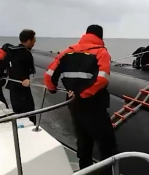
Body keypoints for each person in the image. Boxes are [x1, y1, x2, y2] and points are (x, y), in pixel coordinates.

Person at [44, 25, 117, 174]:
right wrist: (83, 93)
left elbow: (49, 75)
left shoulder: (67, 52)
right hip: (94, 103)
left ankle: (85, 170)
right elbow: (102, 79)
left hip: (74, 104)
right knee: (107, 145)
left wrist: (52, 89)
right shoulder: (101, 52)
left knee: (83, 139)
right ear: (100, 37)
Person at [0, 29, 37, 124]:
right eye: (34, 41)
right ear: (29, 40)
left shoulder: (11, 51)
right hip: (23, 89)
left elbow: (3, 66)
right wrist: (23, 79)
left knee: (17, 113)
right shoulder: (26, 53)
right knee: (30, 115)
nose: (34, 44)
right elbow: (24, 69)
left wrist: (1, 74)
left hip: (13, 88)